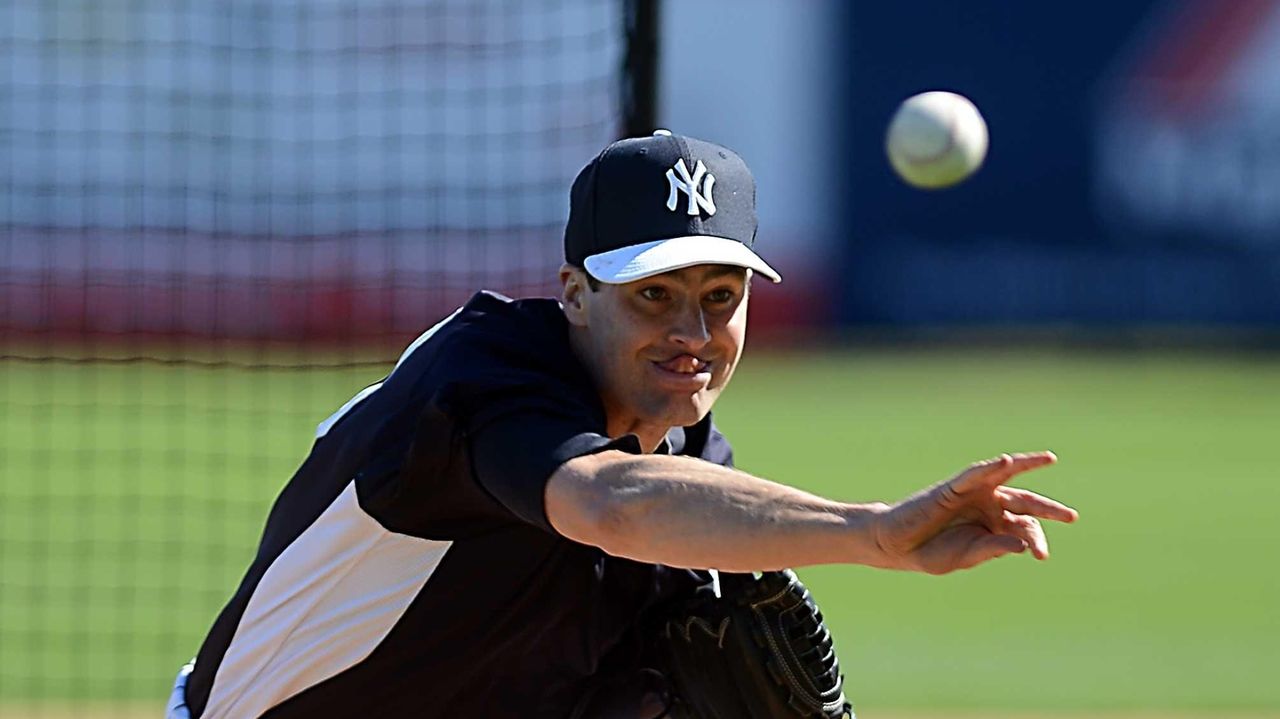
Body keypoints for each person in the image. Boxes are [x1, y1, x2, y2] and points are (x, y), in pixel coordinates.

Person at [166, 131, 1077, 718]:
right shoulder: (485, 378)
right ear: (573, 293)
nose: (692, 332)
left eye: (721, 298)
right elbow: (604, 501)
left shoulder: (686, 457)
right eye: (653, 295)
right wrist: (872, 532)